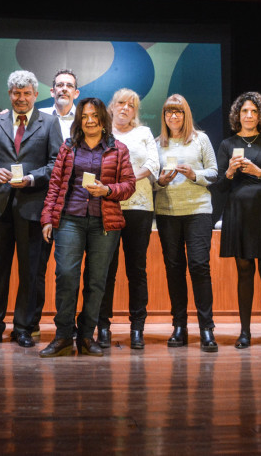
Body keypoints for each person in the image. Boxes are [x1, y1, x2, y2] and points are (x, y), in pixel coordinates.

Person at [39, 98, 136, 357]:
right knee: (66, 276)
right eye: (85, 116)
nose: (90, 120)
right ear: (79, 121)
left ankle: (85, 336)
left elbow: (129, 185)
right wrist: (47, 217)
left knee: (96, 282)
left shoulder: (119, 149)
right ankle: (62, 336)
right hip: (70, 219)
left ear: (103, 119)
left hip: (105, 223)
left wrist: (107, 190)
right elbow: (56, 184)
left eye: (94, 116)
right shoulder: (68, 147)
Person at [0, 70, 63, 347]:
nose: (21, 98)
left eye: (26, 93)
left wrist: (33, 177)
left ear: (36, 95)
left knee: (30, 271)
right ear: (10, 94)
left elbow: (56, 164)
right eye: (16, 93)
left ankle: (24, 328)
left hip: (32, 207)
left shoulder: (49, 123)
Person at [217, 91, 261, 350]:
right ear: (238, 115)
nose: (248, 116)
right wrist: (228, 172)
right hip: (239, 212)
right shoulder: (227, 144)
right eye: (244, 111)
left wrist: (259, 172)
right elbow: (220, 186)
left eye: (254, 111)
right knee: (244, 271)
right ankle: (244, 332)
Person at [153, 94, 219, 352]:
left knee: (200, 267)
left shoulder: (200, 139)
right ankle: (179, 326)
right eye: (169, 112)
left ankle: (206, 328)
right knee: (174, 269)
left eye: (178, 112)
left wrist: (195, 174)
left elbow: (214, 172)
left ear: (186, 114)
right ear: (164, 117)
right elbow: (152, 180)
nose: (173, 116)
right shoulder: (157, 143)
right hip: (168, 213)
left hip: (198, 212)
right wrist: (161, 181)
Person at [96, 88, 160, 349]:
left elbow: (154, 165)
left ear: (135, 111)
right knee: (105, 270)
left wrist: (127, 179)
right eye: (121, 103)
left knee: (137, 269)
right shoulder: (101, 133)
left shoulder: (143, 133)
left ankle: (137, 328)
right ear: (111, 106)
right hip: (107, 206)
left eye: (131, 105)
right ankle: (102, 326)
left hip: (139, 207)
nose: (125, 108)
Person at [30, 69, 80, 339]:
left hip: (73, 205)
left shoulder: (85, 121)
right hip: (41, 200)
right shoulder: (38, 118)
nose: (63, 89)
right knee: (37, 267)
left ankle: (68, 325)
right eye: (58, 85)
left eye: (68, 85)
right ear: (51, 91)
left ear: (76, 92)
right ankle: (32, 323)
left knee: (68, 270)